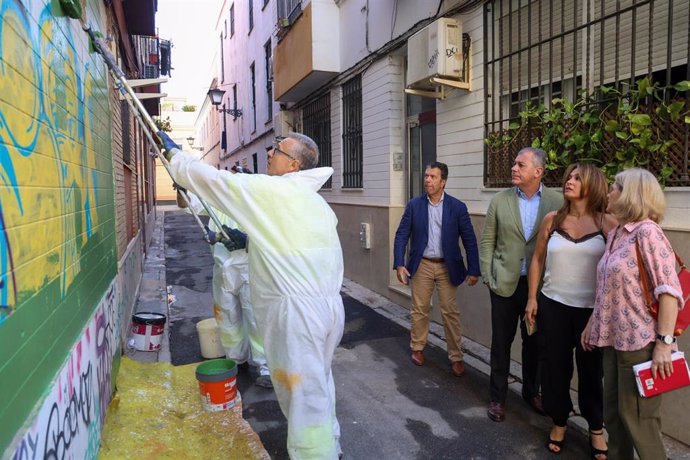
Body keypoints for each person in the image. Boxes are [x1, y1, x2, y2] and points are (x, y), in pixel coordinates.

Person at [160, 132, 345, 459]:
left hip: (298, 315)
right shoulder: (313, 201)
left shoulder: (276, 192)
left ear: (294, 164)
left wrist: (177, 157)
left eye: (277, 150)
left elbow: (217, 183)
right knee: (319, 386)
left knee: (303, 397)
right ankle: (330, 446)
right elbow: (290, 246)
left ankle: (316, 455)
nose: (270, 154)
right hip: (327, 310)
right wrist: (246, 242)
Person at [582, 168, 682, 460]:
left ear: (630, 195)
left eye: (615, 187)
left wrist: (663, 344)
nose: (609, 192)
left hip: (641, 345)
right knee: (615, 418)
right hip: (614, 342)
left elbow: (668, 292)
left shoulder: (648, 232)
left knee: (640, 423)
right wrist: (593, 322)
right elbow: (608, 288)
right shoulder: (617, 234)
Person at [525, 164, 615, 457]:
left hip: (591, 312)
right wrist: (532, 298)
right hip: (553, 305)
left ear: (593, 185)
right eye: (569, 177)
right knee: (554, 367)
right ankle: (560, 420)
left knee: (591, 372)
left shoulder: (607, 224)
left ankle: (595, 427)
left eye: (577, 178)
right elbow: (537, 259)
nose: (569, 181)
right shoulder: (552, 220)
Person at [479, 146, 564, 423]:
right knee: (501, 344)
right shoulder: (500, 200)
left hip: (538, 289)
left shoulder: (557, 201)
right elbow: (488, 241)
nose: (514, 168)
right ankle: (497, 398)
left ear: (538, 172)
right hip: (504, 284)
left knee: (536, 344)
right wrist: (489, 277)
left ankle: (531, 392)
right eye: (514, 164)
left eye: (520, 165)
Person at [176, 186, 272, 388]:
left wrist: (243, 240)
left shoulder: (254, 205)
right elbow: (188, 205)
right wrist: (181, 190)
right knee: (227, 317)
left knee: (256, 319)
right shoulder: (217, 202)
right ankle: (237, 359)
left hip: (249, 270)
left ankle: (265, 368)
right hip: (223, 269)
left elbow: (267, 236)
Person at [393, 161, 480, 376]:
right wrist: (399, 264)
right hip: (422, 264)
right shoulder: (415, 205)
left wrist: (474, 269)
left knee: (450, 312)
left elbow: (469, 240)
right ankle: (418, 347)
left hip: (447, 267)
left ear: (443, 182)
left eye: (432, 177)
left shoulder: (457, 207)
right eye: (426, 176)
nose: (427, 180)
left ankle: (456, 356)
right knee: (419, 308)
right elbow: (401, 235)